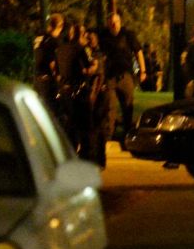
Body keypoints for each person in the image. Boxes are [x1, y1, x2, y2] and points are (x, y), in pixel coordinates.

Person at [98, 12, 146, 147]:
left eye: (116, 21)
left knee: (127, 107)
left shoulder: (128, 35)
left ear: (120, 22)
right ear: (108, 23)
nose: (114, 24)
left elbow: (138, 52)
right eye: (111, 22)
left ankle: (127, 135)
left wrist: (143, 70)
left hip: (125, 76)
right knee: (110, 107)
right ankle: (108, 137)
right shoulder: (103, 36)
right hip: (110, 77)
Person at [55, 23, 96, 150]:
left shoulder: (60, 49)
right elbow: (88, 68)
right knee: (85, 125)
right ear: (81, 35)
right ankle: (86, 155)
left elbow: (57, 71)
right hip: (79, 91)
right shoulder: (80, 49)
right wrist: (95, 65)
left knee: (69, 123)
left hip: (64, 90)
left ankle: (69, 150)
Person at [85, 31, 110, 167]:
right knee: (98, 127)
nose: (89, 40)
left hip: (98, 95)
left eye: (91, 38)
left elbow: (99, 76)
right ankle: (99, 158)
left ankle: (98, 158)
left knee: (96, 127)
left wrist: (93, 95)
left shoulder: (97, 55)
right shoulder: (92, 54)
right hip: (98, 93)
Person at [33, 13, 64, 111]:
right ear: (60, 26)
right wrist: (58, 79)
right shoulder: (54, 41)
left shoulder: (41, 38)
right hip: (48, 81)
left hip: (37, 77)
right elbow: (52, 63)